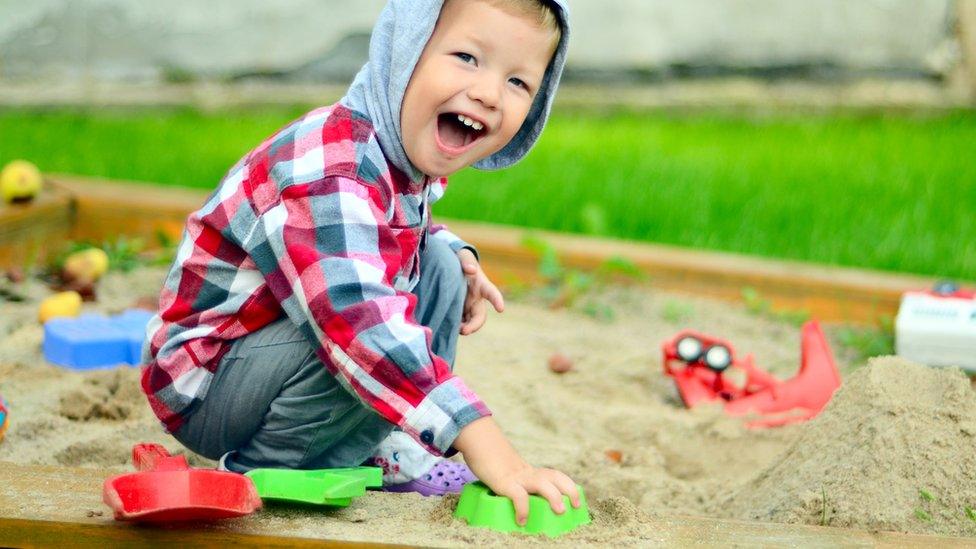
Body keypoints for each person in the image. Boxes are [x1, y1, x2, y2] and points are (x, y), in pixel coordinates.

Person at [141, 0, 578, 524]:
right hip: (209, 384)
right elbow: (354, 317)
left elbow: (380, 227)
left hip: (269, 355)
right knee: (364, 334)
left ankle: (374, 444)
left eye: (518, 83)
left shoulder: (390, 153)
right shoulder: (330, 163)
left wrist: (457, 252)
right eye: (466, 57)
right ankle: (275, 466)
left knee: (437, 263)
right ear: (405, 50)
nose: (488, 92)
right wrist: (482, 439)